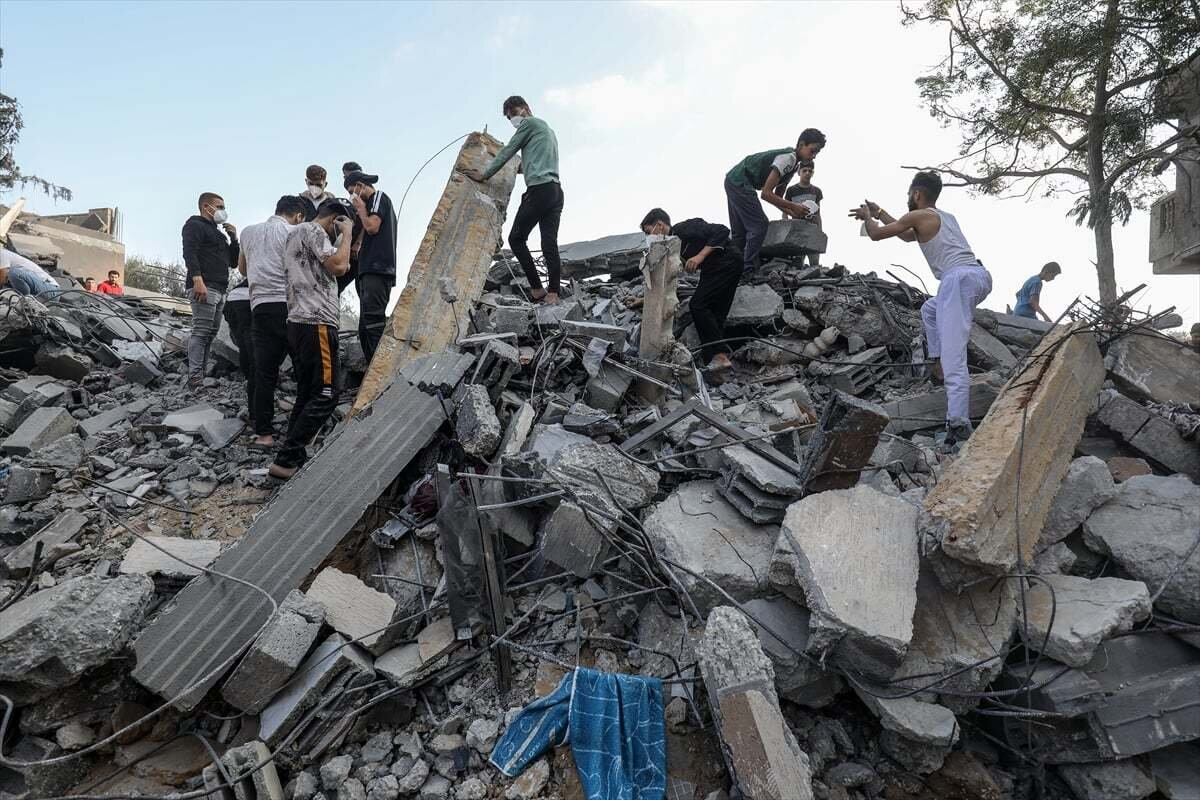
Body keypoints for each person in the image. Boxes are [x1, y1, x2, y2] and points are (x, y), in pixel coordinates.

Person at [849, 171, 992, 446]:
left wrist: (869, 217)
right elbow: (906, 236)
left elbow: (878, 235)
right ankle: (937, 362)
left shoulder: (919, 216)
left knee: (955, 356)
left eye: (908, 194)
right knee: (929, 309)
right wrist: (881, 212)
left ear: (917, 194)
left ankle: (959, 425)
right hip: (978, 277)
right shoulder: (942, 217)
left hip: (957, 280)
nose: (907, 199)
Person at [268, 199, 353, 481]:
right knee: (327, 394)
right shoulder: (315, 230)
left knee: (307, 394)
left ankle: (289, 458)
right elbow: (340, 266)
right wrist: (348, 233)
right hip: (316, 322)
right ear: (336, 220)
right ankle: (287, 457)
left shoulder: (298, 233)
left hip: (299, 322)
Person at [462, 96, 564, 304]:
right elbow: (535, 161)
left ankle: (536, 289)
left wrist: (485, 174)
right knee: (549, 243)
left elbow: (509, 150)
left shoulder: (529, 124)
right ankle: (553, 292)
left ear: (525, 108)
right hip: (555, 190)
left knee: (516, 239)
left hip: (538, 191)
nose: (513, 120)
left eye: (514, 114)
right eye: (510, 117)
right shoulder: (546, 129)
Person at [239, 195, 308, 448]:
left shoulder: (248, 232)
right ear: (299, 216)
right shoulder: (296, 231)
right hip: (291, 308)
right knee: (303, 371)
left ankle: (264, 435)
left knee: (264, 374)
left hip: (260, 308)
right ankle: (298, 432)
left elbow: (243, 270)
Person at [640, 208, 741, 373]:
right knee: (715, 314)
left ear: (659, 225)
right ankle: (717, 367)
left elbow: (722, 230)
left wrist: (700, 256)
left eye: (648, 231)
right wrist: (643, 300)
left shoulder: (683, 229)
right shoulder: (670, 248)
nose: (649, 237)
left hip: (727, 262)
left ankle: (720, 356)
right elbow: (667, 281)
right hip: (715, 270)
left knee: (698, 305)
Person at [725, 128, 826, 273]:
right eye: (812, 150)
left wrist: (792, 212)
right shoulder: (788, 159)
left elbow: (777, 197)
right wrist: (793, 206)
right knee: (759, 225)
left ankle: (732, 268)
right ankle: (749, 270)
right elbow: (766, 194)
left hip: (733, 180)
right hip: (740, 181)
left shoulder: (793, 165)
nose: (814, 156)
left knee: (739, 233)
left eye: (817, 153)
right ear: (802, 144)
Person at [182, 192, 239, 388]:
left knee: (210, 333)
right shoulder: (194, 225)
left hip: (219, 288)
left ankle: (200, 373)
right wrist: (197, 279)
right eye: (219, 206)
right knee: (201, 331)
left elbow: (232, 263)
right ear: (206, 207)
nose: (222, 211)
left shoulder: (218, 233)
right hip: (204, 286)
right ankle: (195, 377)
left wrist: (234, 239)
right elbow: (189, 252)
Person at [344, 170, 396, 363]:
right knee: (364, 328)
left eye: (353, 190)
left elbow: (372, 227)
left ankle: (381, 371)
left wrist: (360, 208)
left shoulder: (378, 197)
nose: (353, 195)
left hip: (378, 268)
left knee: (373, 324)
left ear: (361, 185)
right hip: (369, 270)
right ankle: (370, 375)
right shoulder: (369, 203)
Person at [222, 279, 255, 421]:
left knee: (244, 342)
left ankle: (250, 377)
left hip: (233, 300)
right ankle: (254, 380)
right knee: (253, 346)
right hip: (251, 298)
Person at [783, 161, 824, 266]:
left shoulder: (817, 191)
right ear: (799, 172)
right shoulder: (791, 190)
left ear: (812, 173)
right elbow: (785, 210)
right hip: (797, 231)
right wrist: (785, 227)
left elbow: (818, 213)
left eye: (810, 171)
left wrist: (820, 230)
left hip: (812, 229)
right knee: (797, 261)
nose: (807, 173)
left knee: (814, 261)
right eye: (804, 170)